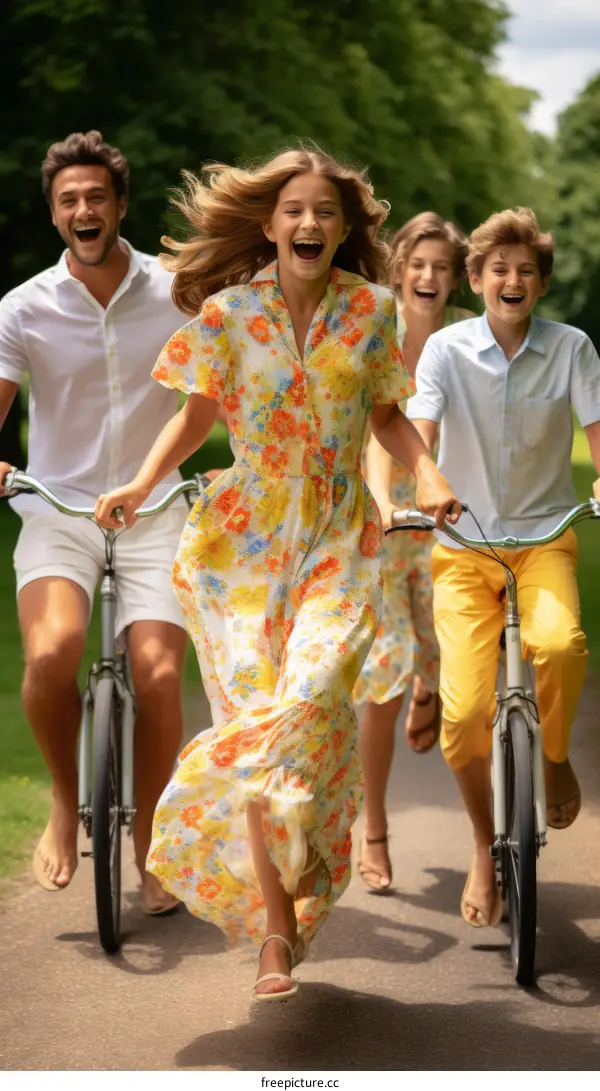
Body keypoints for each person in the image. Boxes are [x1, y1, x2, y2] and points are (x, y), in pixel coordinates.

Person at [95, 146, 458, 1000]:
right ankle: (275, 931)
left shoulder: (372, 310)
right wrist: (144, 482)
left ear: (343, 228)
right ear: (269, 224)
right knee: (262, 723)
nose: (310, 223)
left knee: (311, 699)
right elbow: (196, 417)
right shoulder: (227, 316)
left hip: (337, 536)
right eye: (294, 210)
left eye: (326, 212)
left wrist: (429, 473)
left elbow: (388, 416)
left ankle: (255, 826)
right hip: (240, 550)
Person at [0, 131, 190, 914]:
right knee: (51, 651)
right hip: (60, 505)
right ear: (54, 215)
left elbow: (222, 386)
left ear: (120, 206)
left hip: (157, 510)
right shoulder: (23, 307)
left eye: (96, 197)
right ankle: (60, 801)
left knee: (160, 674)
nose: (85, 210)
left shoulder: (180, 290)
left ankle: (150, 841)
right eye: (69, 200)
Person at [406, 207, 600, 928]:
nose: (511, 280)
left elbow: (597, 431)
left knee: (558, 645)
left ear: (540, 283)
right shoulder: (446, 352)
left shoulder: (573, 349)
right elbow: (420, 428)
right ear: (478, 279)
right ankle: (486, 848)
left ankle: (551, 757)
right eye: (498, 270)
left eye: (525, 271)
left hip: (545, 538)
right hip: (464, 548)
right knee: (461, 720)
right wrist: (426, 476)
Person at [354, 213, 474, 893]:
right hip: (384, 516)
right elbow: (378, 425)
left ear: (454, 277)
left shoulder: (464, 335)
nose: (428, 277)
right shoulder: (377, 327)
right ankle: (374, 827)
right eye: (417, 264)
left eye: (441, 267)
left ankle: (429, 685)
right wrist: (377, 503)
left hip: (445, 512)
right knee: (383, 675)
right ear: (398, 268)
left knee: (450, 662)